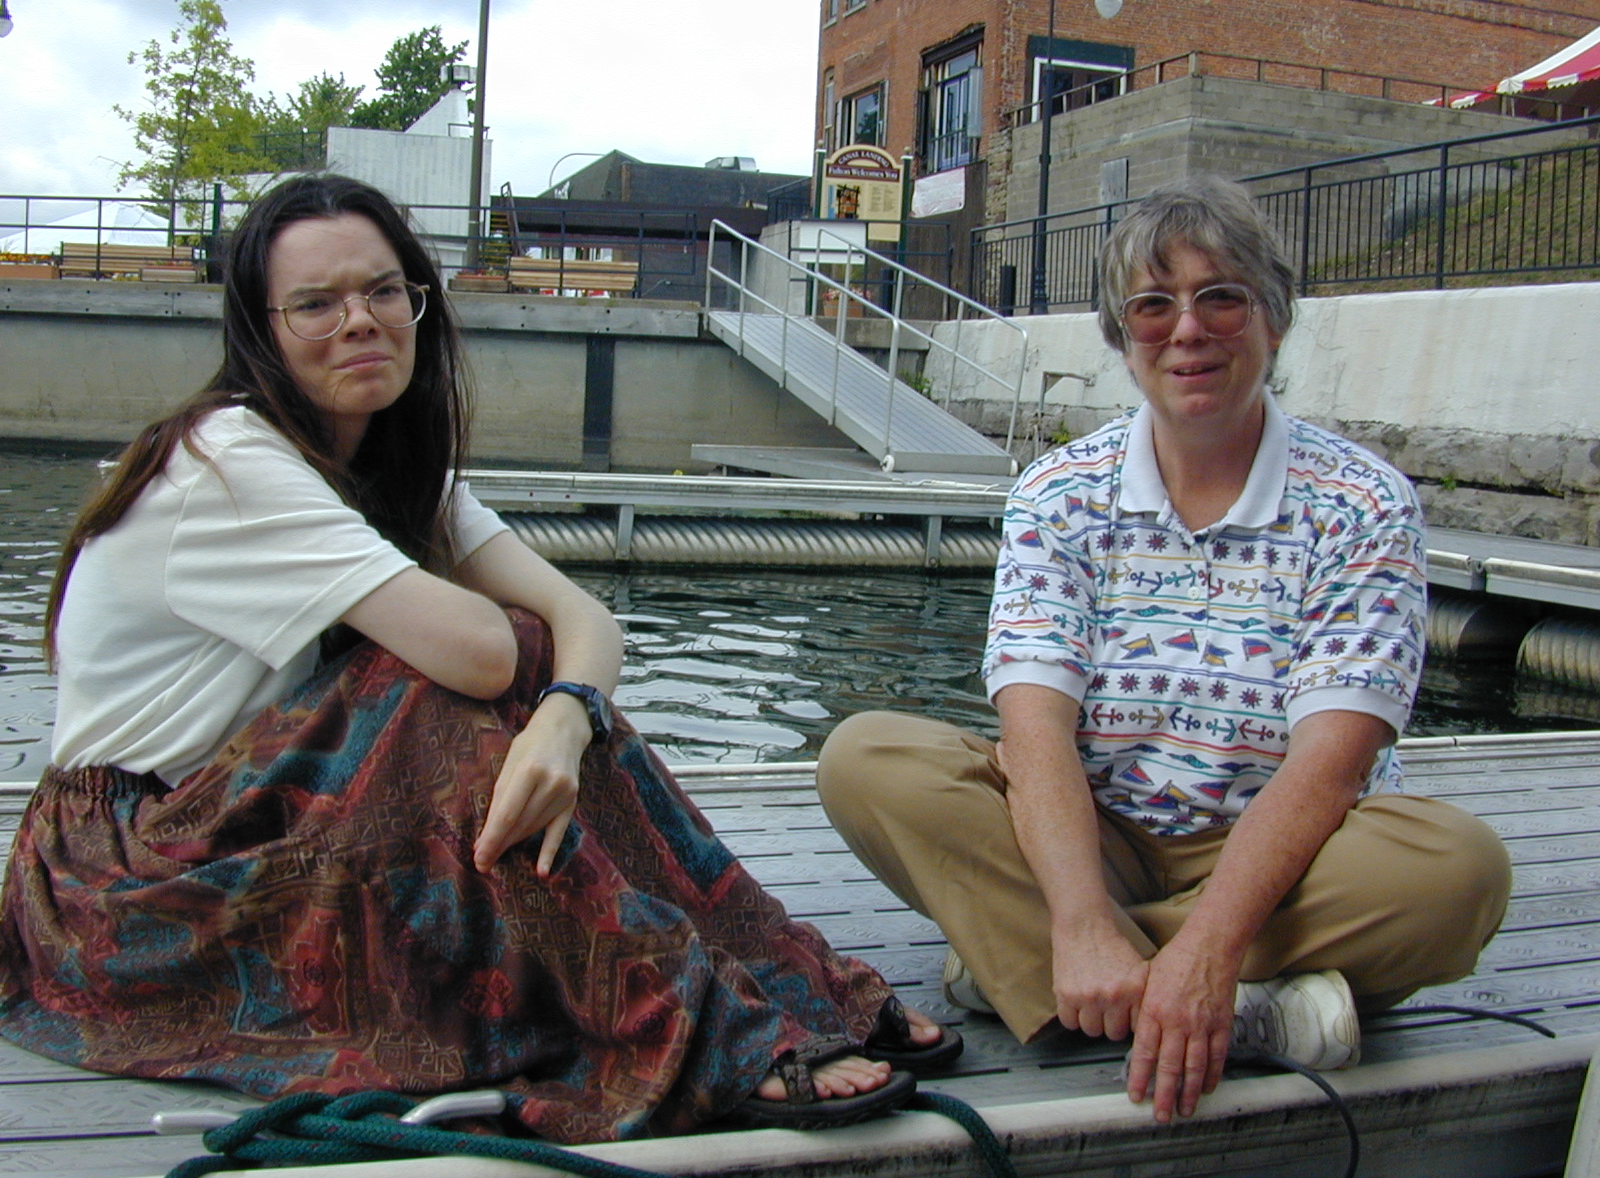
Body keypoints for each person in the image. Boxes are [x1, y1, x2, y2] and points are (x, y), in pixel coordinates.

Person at [0, 173, 959, 1143]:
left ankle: (775, 972)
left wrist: (566, 719)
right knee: (443, 684)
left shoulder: (385, 463)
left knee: (538, 674)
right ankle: (677, 1019)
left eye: (383, 291)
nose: (359, 321)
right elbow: (483, 653)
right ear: (262, 331)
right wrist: (539, 697)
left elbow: (585, 619)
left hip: (243, 824)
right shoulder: (227, 459)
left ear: (418, 302)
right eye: (316, 304)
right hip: (119, 885)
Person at [818, 176, 1511, 1126]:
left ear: (1274, 319)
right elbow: (1034, 731)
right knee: (867, 758)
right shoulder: (1060, 491)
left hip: (1296, 854)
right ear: (1122, 336)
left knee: (1457, 873)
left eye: (1221, 297)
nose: (1188, 330)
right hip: (1098, 837)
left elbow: (1332, 764)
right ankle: (1243, 1007)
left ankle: (1042, 973)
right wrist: (1079, 917)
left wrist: (1206, 951)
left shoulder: (1363, 502)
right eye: (1153, 306)